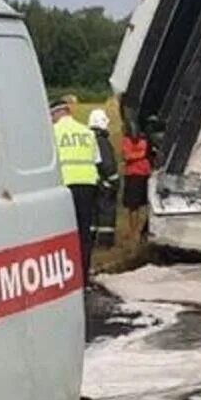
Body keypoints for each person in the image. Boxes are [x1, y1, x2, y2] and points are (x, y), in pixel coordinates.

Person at [51, 100, 99, 279]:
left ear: (56, 114)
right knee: (84, 232)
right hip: (88, 184)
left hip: (65, 186)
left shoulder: (53, 133)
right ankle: (83, 275)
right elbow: (97, 160)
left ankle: (66, 274)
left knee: (63, 232)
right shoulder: (87, 132)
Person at [89, 108, 119, 244]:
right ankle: (105, 242)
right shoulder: (102, 141)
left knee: (93, 213)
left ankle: (91, 239)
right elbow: (107, 164)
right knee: (106, 212)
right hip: (104, 183)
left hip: (92, 181)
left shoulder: (88, 138)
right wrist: (115, 181)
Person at [119, 126, 152, 246]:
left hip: (144, 173)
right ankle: (133, 232)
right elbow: (127, 156)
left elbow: (137, 153)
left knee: (146, 205)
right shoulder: (126, 140)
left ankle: (142, 230)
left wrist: (137, 153)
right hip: (132, 175)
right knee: (133, 206)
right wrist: (141, 154)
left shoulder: (145, 139)